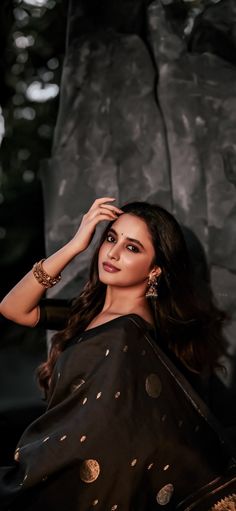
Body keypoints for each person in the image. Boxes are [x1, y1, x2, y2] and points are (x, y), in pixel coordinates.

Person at [0, 197, 235, 511]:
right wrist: (75, 245)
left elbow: (102, 438)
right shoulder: (91, 314)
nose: (112, 252)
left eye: (132, 247)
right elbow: (12, 308)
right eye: (111, 238)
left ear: (155, 271)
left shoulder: (126, 336)